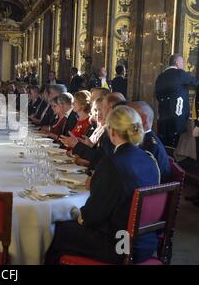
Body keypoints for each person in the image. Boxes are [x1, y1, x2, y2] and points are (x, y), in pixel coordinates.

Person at [45, 106, 160, 265]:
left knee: (57, 230)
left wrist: (80, 216)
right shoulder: (149, 160)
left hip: (120, 246)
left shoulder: (112, 163)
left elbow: (93, 216)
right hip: (146, 244)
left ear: (112, 131)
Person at [155, 54, 199, 147]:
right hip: (177, 116)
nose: (183, 65)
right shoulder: (180, 73)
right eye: (182, 62)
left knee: (165, 144)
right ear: (177, 62)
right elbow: (196, 83)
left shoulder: (160, 77)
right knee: (176, 144)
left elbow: (157, 95)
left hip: (162, 116)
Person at [129, 101, 171, 183]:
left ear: (143, 119)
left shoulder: (150, 146)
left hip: (152, 191)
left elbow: (145, 177)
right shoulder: (143, 140)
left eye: (130, 116)